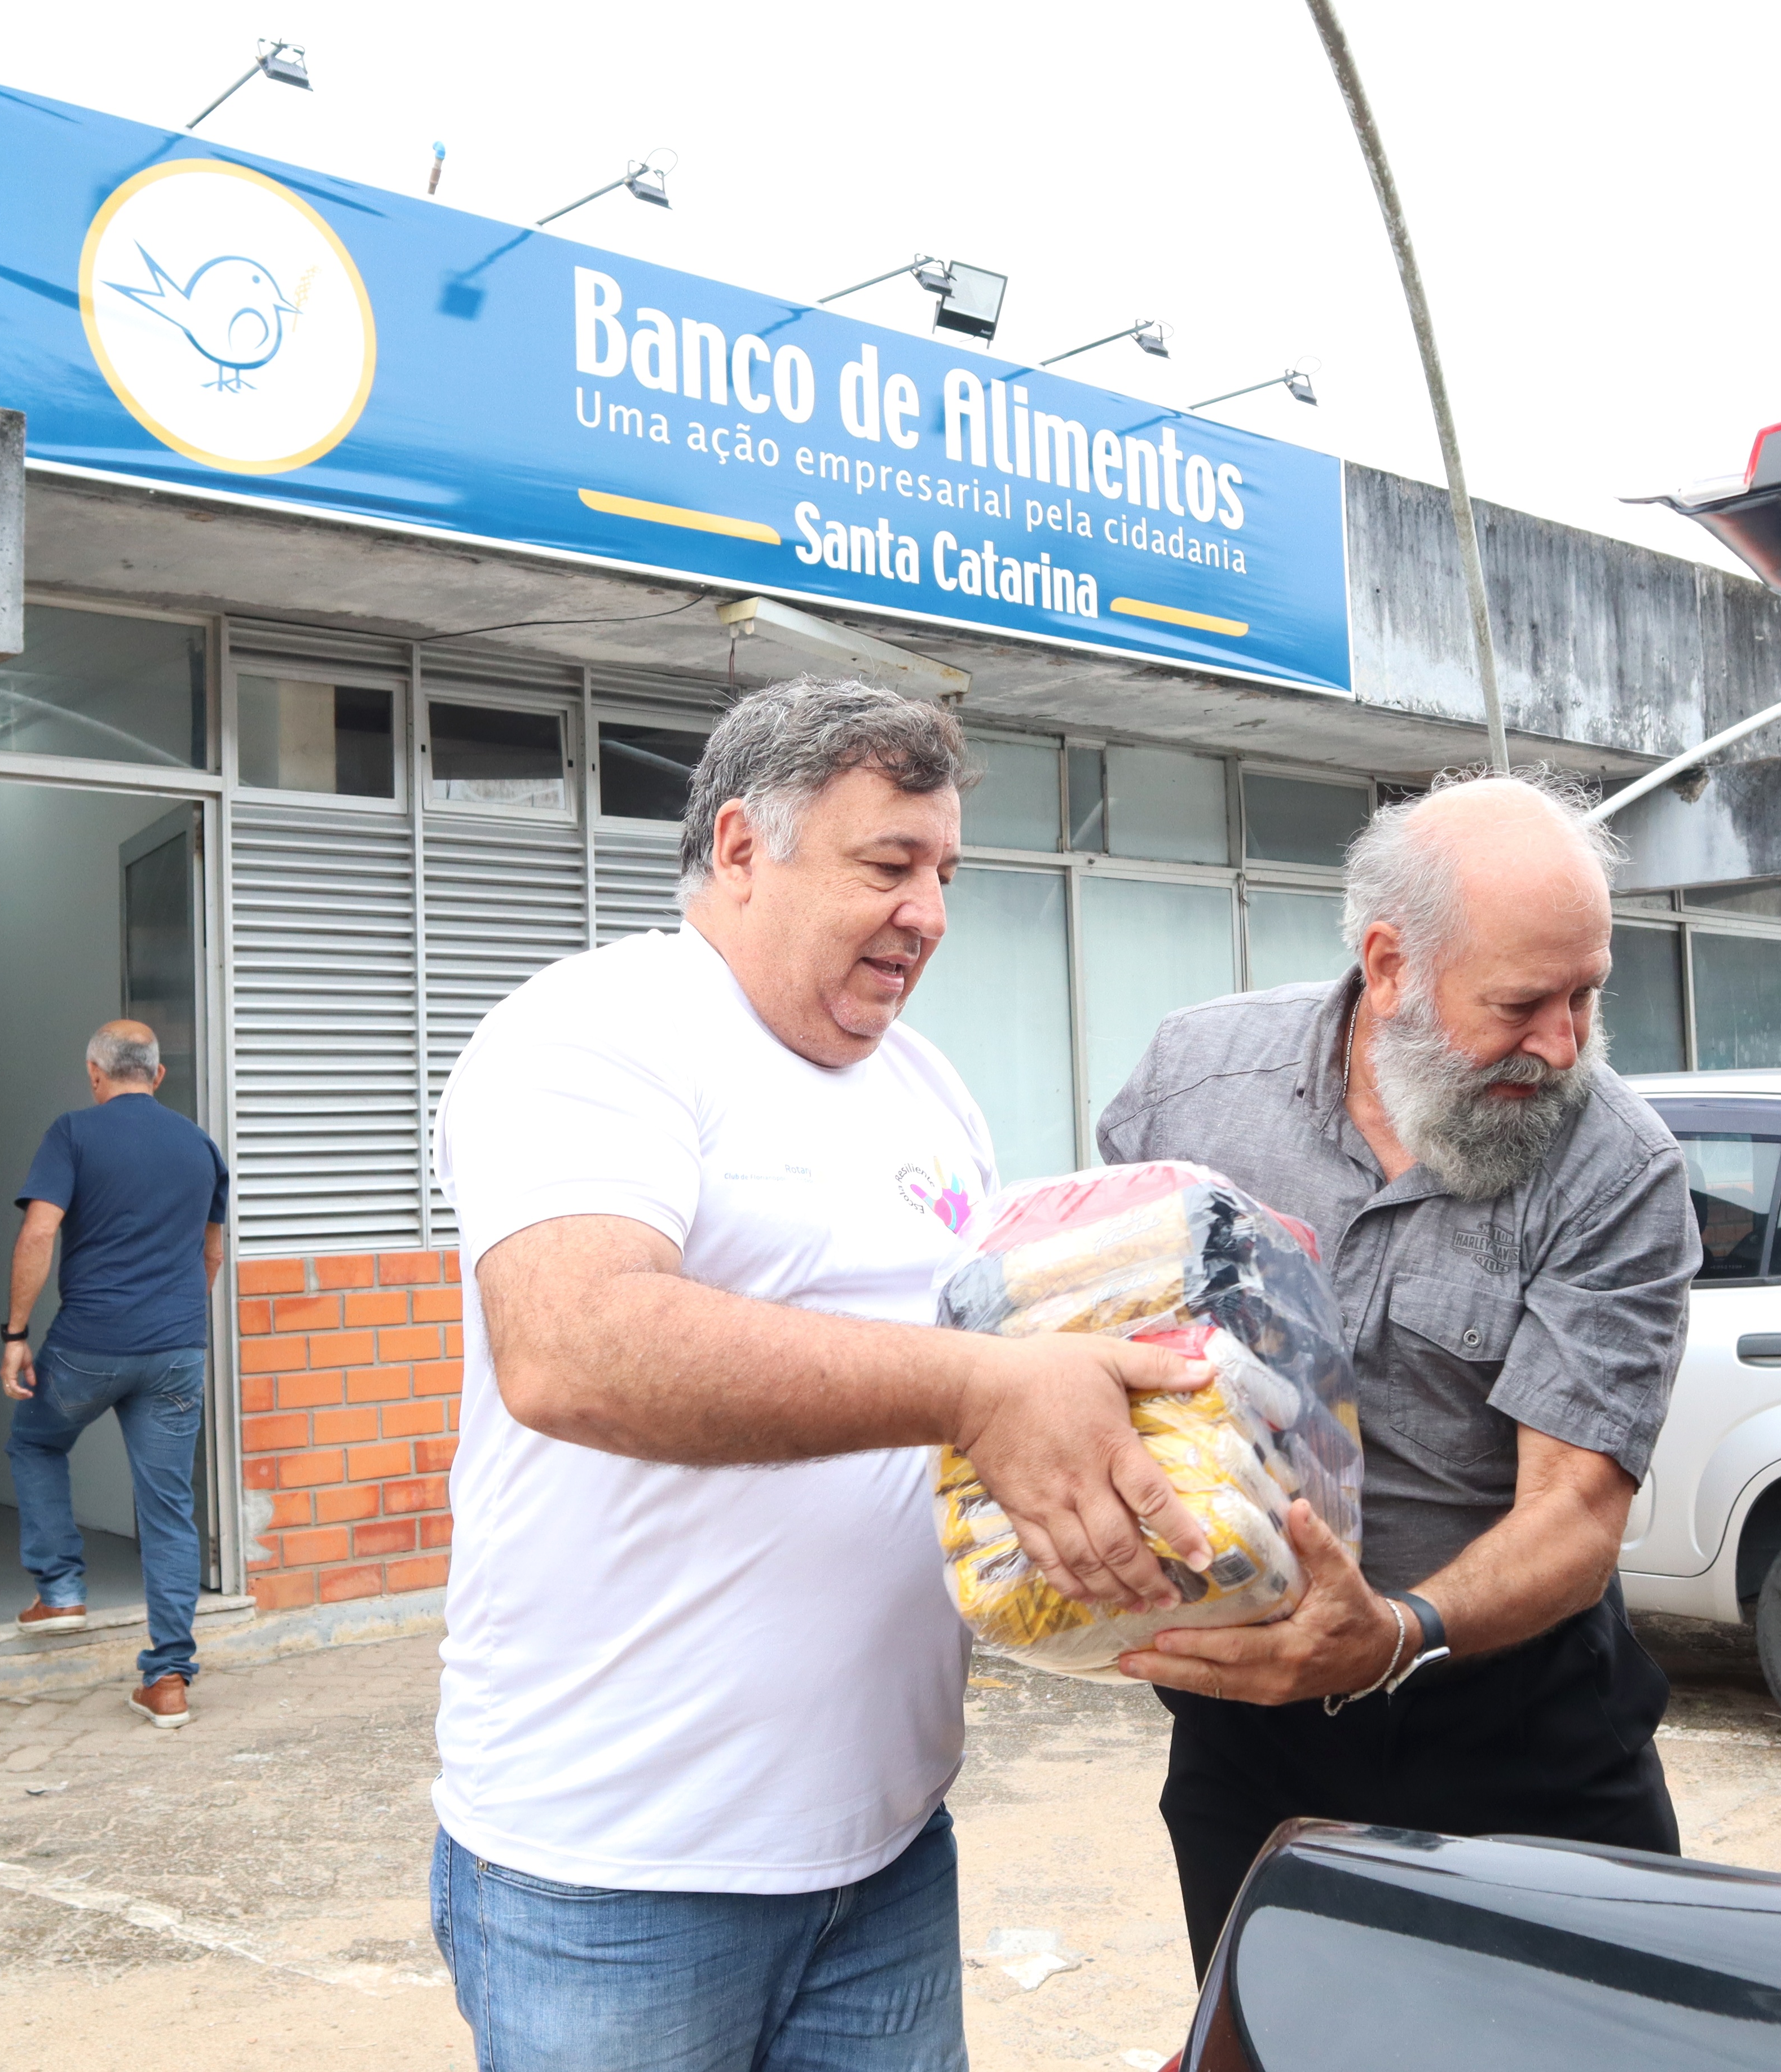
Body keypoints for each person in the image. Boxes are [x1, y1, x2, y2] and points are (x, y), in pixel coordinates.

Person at [424, 676, 1218, 2072]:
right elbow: (572, 1348)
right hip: (618, 1873)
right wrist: (976, 1390)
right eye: (889, 865)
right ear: (742, 847)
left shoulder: (929, 1089)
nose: (930, 913)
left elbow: (975, 1386)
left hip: (887, 1851)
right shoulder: (595, 1030)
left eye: (946, 873)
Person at [1096, 771, 1700, 1973]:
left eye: (1587, 994)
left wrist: (1395, 1633)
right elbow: (1102, 1330)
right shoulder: (1195, 1086)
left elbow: (1575, 1513)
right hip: (1250, 1730)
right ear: (1388, 968)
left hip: (1517, 1729)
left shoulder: (1617, 1168)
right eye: (1522, 1003)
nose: (1564, 1046)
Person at [2, 1018, 229, 1731]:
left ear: (96, 1074)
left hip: (90, 1345)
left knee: (36, 1441)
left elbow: (40, 1231)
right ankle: (168, 1680)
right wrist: (176, 1322)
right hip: (177, 1349)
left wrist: (15, 1335)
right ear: (158, 1075)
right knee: (168, 1507)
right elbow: (212, 1253)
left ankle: (61, 1590)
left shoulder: (73, 1133)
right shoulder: (200, 1145)